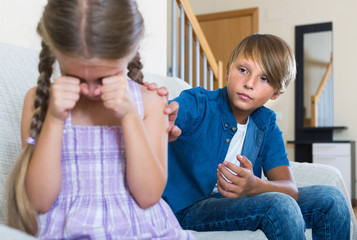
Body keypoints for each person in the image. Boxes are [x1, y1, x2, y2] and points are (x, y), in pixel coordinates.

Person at [6, 0, 195, 239]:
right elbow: (39, 201)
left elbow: (148, 196)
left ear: (130, 51)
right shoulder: (40, 102)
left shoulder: (149, 102)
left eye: (106, 78)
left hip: (139, 230)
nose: (93, 91)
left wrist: (129, 117)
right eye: (74, 76)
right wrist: (54, 119)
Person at [158, 34, 351, 239]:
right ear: (228, 71)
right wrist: (161, 115)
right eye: (243, 70)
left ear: (275, 93)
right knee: (279, 206)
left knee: (332, 199)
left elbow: (290, 189)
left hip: (237, 202)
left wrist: (254, 186)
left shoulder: (265, 124)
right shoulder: (199, 103)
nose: (249, 83)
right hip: (187, 207)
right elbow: (166, 114)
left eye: (264, 78)